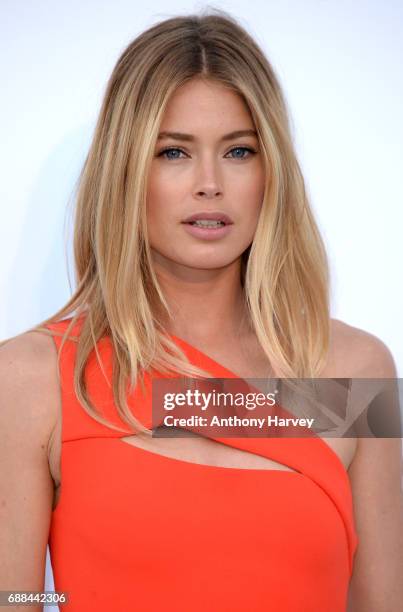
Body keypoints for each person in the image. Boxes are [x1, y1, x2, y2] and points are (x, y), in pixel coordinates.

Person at [1, 9, 402, 612]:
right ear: (126, 170)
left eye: (239, 152)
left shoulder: (354, 373)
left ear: (272, 173)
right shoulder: (30, 381)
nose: (209, 183)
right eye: (173, 153)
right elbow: (16, 597)